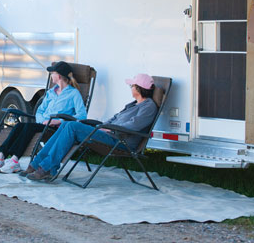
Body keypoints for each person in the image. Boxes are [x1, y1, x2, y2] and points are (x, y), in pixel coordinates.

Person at [23, 73, 158, 181]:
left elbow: (134, 125)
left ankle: (47, 168)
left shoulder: (149, 106)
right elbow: (115, 117)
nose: (131, 88)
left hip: (120, 140)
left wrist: (110, 128)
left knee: (71, 126)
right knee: (66, 124)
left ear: (139, 88)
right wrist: (102, 126)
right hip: (110, 133)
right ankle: (36, 164)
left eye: (132, 86)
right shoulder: (133, 104)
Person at [0, 61, 87, 173]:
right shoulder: (51, 92)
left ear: (59, 76)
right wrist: (43, 120)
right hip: (43, 123)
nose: (51, 75)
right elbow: (40, 111)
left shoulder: (73, 93)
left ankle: (15, 160)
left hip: (57, 128)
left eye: (52, 73)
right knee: (19, 126)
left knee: (28, 128)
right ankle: (1, 157)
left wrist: (58, 121)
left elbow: (82, 115)